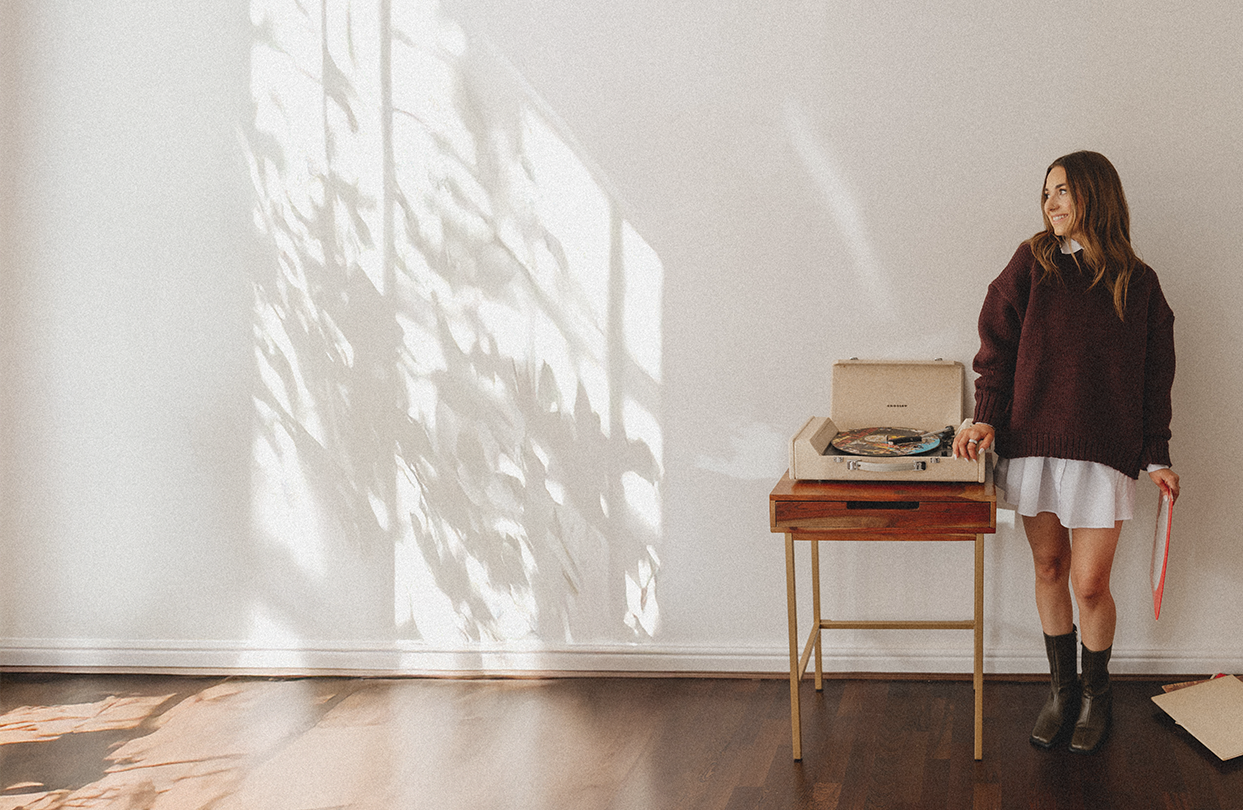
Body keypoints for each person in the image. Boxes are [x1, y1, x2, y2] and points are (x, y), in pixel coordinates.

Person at [952, 151, 1179, 754]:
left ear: (1096, 197)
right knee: (1049, 569)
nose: (1050, 204)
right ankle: (1062, 692)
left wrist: (1156, 456)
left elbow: (1157, 375)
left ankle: (1097, 694)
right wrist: (985, 420)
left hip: (1104, 453)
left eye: (1063, 192)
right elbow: (996, 343)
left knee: (1089, 583)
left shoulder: (1140, 282)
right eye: (1046, 193)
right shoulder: (1032, 263)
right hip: (1033, 445)